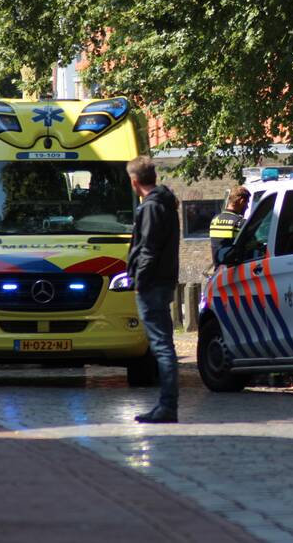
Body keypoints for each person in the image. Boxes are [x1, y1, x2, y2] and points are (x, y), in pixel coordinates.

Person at [126, 155, 181, 424]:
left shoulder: (151, 207)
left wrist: (140, 280)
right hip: (164, 280)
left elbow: (148, 248)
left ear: (135, 181)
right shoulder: (166, 204)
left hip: (152, 284)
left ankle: (167, 406)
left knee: (161, 346)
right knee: (164, 344)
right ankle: (166, 405)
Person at [209, 186, 250, 267]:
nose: (247, 207)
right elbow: (249, 246)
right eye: (247, 203)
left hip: (218, 271)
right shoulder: (240, 222)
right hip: (233, 271)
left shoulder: (214, 220)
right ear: (241, 201)